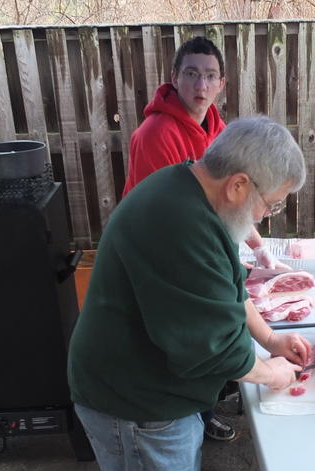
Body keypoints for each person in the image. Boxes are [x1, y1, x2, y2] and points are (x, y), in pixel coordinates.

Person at [68, 116, 311, 471]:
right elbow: (214, 348)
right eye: (271, 204)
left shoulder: (194, 193)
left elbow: (228, 289)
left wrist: (271, 340)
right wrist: (272, 374)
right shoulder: (179, 224)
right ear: (239, 185)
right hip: (131, 394)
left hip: (152, 381)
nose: (266, 216)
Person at [122, 37, 285, 442]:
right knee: (187, 334)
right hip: (160, 252)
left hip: (198, 246)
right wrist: (266, 368)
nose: (201, 84)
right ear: (174, 78)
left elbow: (233, 201)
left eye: (210, 76)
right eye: (192, 74)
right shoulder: (155, 134)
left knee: (214, 323)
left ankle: (202, 409)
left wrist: (260, 250)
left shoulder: (219, 131)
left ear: (222, 84)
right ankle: (186, 415)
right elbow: (173, 220)